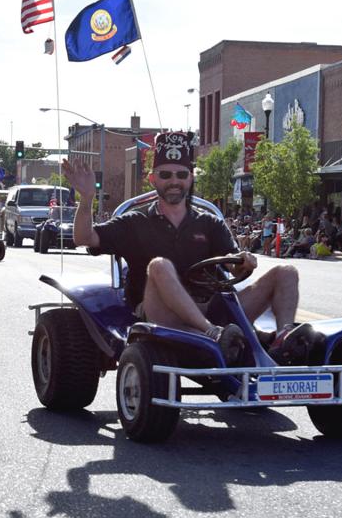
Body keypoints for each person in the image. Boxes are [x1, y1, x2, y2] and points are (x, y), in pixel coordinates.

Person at [63, 131, 302, 364]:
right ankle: (213, 335)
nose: (174, 181)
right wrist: (86, 199)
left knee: (287, 272)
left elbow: (232, 266)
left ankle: (285, 339)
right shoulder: (134, 222)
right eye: (165, 174)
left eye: (181, 174)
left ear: (190, 178)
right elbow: (84, 237)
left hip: (211, 307)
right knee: (159, 265)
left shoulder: (209, 223)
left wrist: (243, 261)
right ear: (152, 179)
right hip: (161, 313)